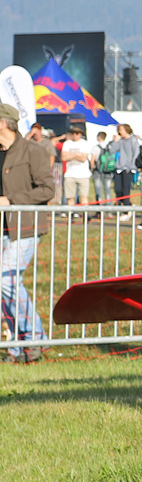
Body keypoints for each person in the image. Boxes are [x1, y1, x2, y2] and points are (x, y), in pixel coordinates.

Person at [0, 103, 57, 362]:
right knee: (4, 286)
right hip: (4, 228)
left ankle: (35, 337)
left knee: (7, 281)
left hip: (25, 227)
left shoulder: (32, 151)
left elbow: (47, 190)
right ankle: (17, 346)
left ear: (3, 123)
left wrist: (12, 199)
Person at [59, 124, 95, 210]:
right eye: (73, 133)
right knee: (70, 197)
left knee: (83, 197)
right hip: (70, 174)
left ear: (81, 134)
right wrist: (77, 155)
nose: (75, 135)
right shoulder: (67, 144)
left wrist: (70, 155)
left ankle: (84, 216)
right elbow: (64, 157)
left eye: (77, 133)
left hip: (83, 175)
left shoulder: (85, 144)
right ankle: (71, 214)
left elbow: (83, 158)